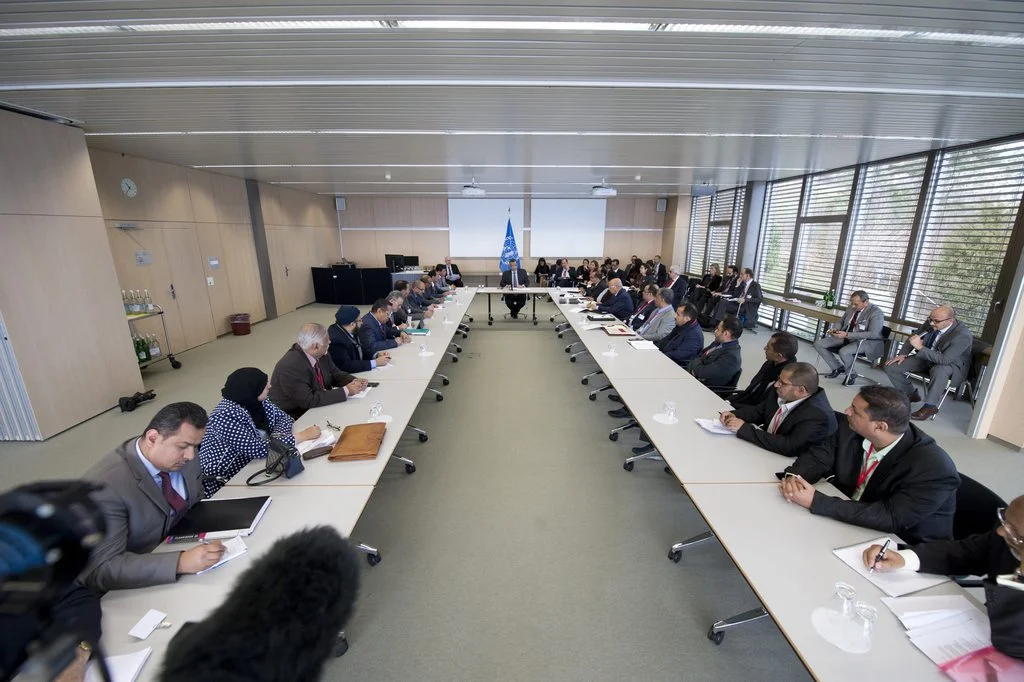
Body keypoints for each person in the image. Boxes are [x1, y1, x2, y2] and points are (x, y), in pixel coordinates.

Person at [779, 385, 960, 544]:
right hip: (851, 520)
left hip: (899, 546)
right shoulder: (850, 429)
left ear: (880, 427)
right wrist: (796, 477)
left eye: (855, 411)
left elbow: (890, 517)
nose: (847, 411)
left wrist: (815, 501)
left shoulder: (933, 469)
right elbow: (819, 456)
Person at [78, 402, 226, 591]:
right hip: (135, 582)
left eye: (196, 446)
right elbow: (102, 568)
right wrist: (180, 562)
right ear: (152, 438)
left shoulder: (183, 457)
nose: (191, 455)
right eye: (184, 446)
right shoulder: (105, 488)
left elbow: (194, 503)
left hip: (183, 548)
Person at [862, 495, 1024, 660]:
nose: (1001, 531)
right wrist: (906, 558)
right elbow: (970, 552)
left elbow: (1011, 641)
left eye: (1013, 531)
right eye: (1005, 518)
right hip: (974, 629)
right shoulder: (1010, 527)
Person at [199, 368, 322, 496]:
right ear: (252, 389)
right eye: (265, 385)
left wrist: (276, 439)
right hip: (225, 478)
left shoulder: (257, 401)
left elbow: (284, 418)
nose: (270, 386)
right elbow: (256, 449)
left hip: (254, 464)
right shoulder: (224, 416)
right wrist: (300, 436)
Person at [719, 362, 838, 457]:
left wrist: (744, 428)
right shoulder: (781, 392)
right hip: (766, 451)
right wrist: (734, 414)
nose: (776, 385)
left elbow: (789, 446)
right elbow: (759, 411)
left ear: (801, 390)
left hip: (790, 465)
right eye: (778, 380)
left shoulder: (816, 415)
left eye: (782, 383)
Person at [884, 305, 974, 421]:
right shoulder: (932, 322)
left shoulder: (962, 335)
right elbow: (914, 337)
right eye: (930, 319)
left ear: (950, 320)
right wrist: (903, 354)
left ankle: (930, 406)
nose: (931, 323)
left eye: (936, 321)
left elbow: (945, 360)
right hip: (927, 357)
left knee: (939, 370)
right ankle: (910, 394)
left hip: (951, 364)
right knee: (891, 366)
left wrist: (920, 347)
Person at [268, 323, 367, 419]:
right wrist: (346, 391)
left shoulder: (321, 353)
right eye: (327, 343)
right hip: (296, 415)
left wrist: (355, 381)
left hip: (318, 403)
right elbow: (308, 400)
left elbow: (335, 374)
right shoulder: (291, 366)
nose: (330, 344)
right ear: (315, 346)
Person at [814, 290, 885, 385]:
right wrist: (835, 329)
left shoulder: (876, 312)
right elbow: (841, 322)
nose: (852, 306)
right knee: (818, 344)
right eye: (851, 303)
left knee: (844, 351)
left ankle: (851, 374)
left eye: (856, 304)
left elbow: (874, 334)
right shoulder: (851, 307)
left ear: (865, 302)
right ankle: (837, 367)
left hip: (866, 341)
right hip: (845, 335)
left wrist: (847, 335)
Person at [730, 332, 799, 407]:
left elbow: (761, 408)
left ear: (779, 356)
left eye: (768, 347)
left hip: (750, 410)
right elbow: (751, 389)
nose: (764, 348)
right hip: (744, 399)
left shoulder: (784, 380)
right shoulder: (769, 363)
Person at [329, 305, 392, 373]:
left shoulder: (350, 330)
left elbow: (360, 350)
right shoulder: (336, 340)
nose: (362, 322)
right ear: (352, 324)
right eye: (360, 321)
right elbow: (347, 366)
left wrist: (376, 355)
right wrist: (375, 363)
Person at [690, 315, 743, 387]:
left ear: (726, 334)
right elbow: (700, 354)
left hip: (705, 388)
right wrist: (697, 363)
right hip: (693, 377)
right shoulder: (719, 342)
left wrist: (695, 365)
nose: (715, 331)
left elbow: (701, 372)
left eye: (718, 329)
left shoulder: (731, 357)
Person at [658, 303, 705, 367]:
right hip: (665, 357)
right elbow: (666, 340)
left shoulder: (695, 336)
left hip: (675, 365)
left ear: (687, 318)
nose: (675, 316)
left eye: (678, 314)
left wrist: (659, 356)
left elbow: (677, 355)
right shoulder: (682, 325)